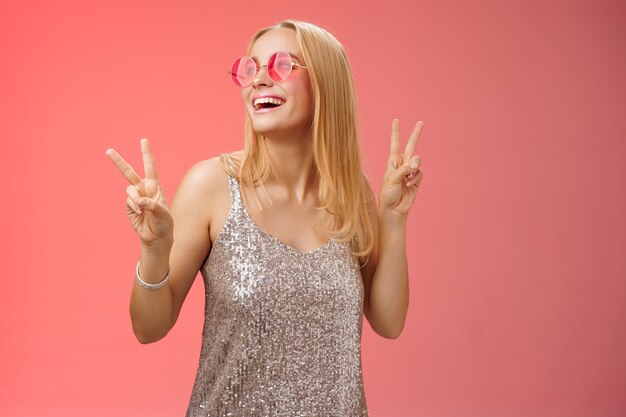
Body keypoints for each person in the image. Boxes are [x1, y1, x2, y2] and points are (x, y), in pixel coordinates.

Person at [106, 19, 423, 417]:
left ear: (326, 82)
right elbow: (148, 329)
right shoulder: (212, 185)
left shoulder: (350, 191)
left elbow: (388, 322)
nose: (258, 81)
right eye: (250, 69)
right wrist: (153, 249)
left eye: (280, 66)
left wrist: (392, 218)